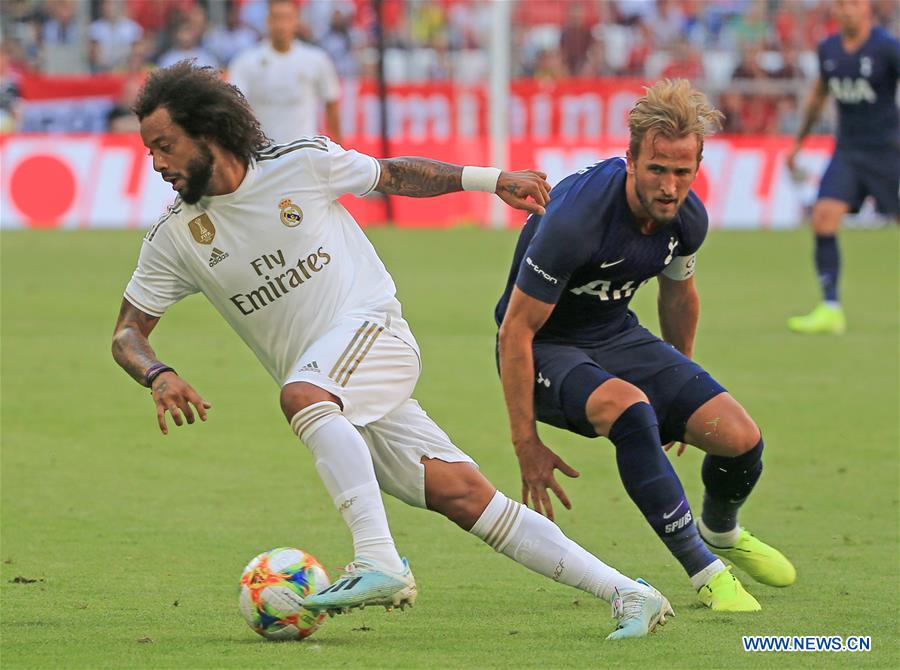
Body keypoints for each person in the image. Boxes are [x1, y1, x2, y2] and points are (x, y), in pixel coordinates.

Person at [111, 61, 674, 640]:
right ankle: (630, 593)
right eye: (151, 150)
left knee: (301, 394)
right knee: (466, 496)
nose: (157, 164)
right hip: (338, 395)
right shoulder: (176, 236)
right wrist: (156, 374)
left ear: (206, 133)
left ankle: (378, 560)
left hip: (373, 336)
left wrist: (488, 179)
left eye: (165, 146)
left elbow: (394, 175)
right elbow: (127, 333)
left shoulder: (299, 165)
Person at [495, 79, 797, 613]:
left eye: (682, 172)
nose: (669, 185)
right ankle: (706, 572)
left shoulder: (688, 220)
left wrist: (681, 387)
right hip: (546, 345)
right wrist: (526, 442)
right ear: (631, 162)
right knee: (632, 412)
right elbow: (515, 331)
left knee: (741, 439)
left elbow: (680, 297)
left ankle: (721, 531)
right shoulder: (576, 221)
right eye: (657, 169)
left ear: (697, 170)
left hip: (615, 331)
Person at [785, 0, 899, 335]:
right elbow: (819, 96)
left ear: (867, 9)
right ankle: (831, 308)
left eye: (853, 4)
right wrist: (798, 142)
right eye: (841, 4)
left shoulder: (887, 49)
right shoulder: (829, 49)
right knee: (823, 216)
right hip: (848, 151)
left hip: (887, 153)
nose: (847, 10)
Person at [229, 0, 342, 145]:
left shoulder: (317, 59)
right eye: (276, 18)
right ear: (268, 21)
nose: (281, 25)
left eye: (287, 18)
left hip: (305, 153)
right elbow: (235, 104)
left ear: (296, 20)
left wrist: (339, 145)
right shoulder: (245, 61)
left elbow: (331, 104)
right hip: (264, 154)